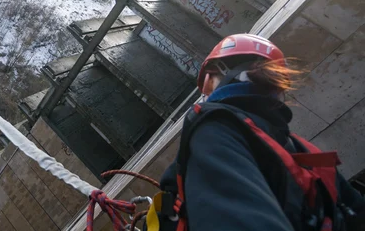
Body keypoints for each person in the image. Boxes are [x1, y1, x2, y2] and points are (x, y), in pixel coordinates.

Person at [152, 34, 364, 231]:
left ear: (218, 74)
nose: (207, 95)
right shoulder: (303, 150)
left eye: (208, 85)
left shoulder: (215, 126)